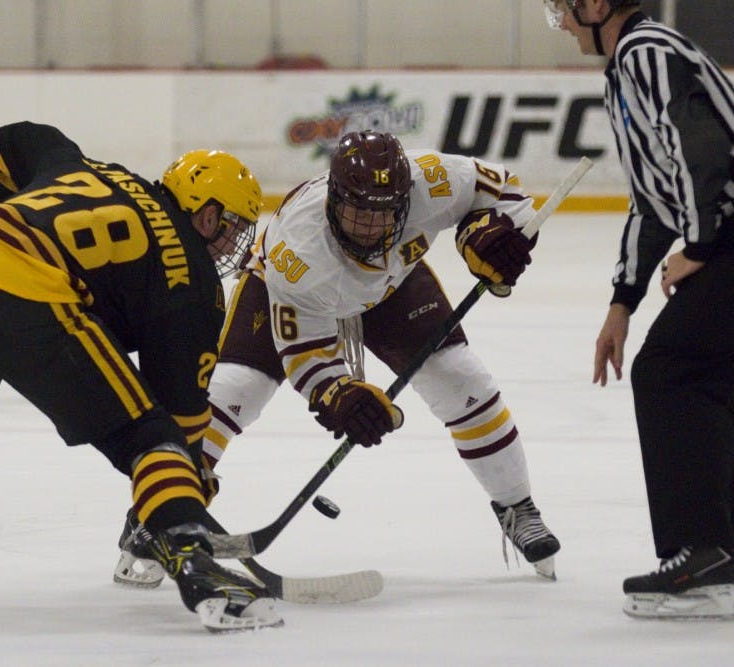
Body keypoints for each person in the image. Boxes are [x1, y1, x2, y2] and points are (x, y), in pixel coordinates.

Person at [0, 120, 284, 633]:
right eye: (230, 227)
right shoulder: (194, 282)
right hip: (23, 298)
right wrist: (186, 489)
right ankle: (199, 568)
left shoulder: (92, 168)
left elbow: (7, 141)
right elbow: (179, 424)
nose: (230, 244)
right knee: (149, 437)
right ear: (205, 215)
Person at [114, 130, 561, 589]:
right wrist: (339, 395)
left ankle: (517, 506)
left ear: (407, 199)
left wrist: (487, 234)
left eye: (382, 215)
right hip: (286, 292)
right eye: (356, 213)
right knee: (232, 392)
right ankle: (154, 516)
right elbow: (305, 351)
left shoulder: (434, 180)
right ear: (332, 200)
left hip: (392, 283)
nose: (369, 228)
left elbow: (504, 190)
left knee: (461, 379)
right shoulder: (297, 251)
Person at [545, 0, 734, 619]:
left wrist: (702, 246)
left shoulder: (645, 52)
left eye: (565, 8)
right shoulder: (629, 65)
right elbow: (654, 199)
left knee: (670, 371)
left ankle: (705, 559)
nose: (563, 22)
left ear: (597, 3)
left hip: (727, 233)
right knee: (705, 374)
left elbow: (697, 152)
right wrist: (622, 301)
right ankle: (717, 553)